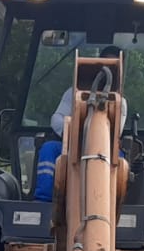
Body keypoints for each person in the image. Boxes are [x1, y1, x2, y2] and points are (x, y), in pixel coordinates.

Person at [33, 47, 128, 202]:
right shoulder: (74, 94)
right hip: (72, 147)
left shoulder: (120, 103)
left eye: (114, 66)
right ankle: (43, 200)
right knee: (49, 149)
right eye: (107, 65)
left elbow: (116, 131)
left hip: (104, 151)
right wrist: (68, 133)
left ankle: (109, 203)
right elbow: (56, 118)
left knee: (120, 160)